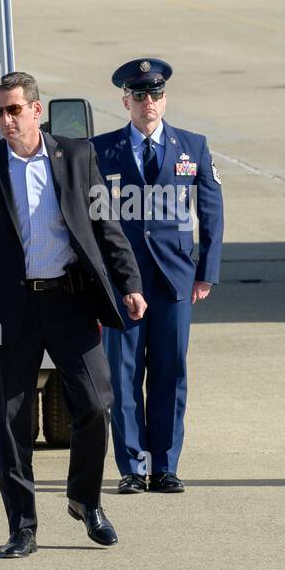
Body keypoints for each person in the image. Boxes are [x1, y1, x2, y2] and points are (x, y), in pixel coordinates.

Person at [0, 71, 146, 559]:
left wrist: (130, 283)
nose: (6, 120)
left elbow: (106, 226)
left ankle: (85, 499)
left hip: (71, 301)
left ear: (37, 110)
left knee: (96, 404)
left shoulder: (77, 157)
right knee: (12, 420)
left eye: (14, 110)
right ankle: (22, 526)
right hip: (9, 310)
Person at [91, 58, 224, 495]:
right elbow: (90, 218)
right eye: (141, 95)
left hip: (174, 280)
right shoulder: (100, 150)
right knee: (124, 373)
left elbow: (210, 211)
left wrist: (206, 273)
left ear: (165, 99)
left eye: (157, 94)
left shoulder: (194, 146)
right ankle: (133, 466)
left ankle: (165, 466)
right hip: (123, 281)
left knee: (170, 371)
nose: (149, 102)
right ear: (125, 100)